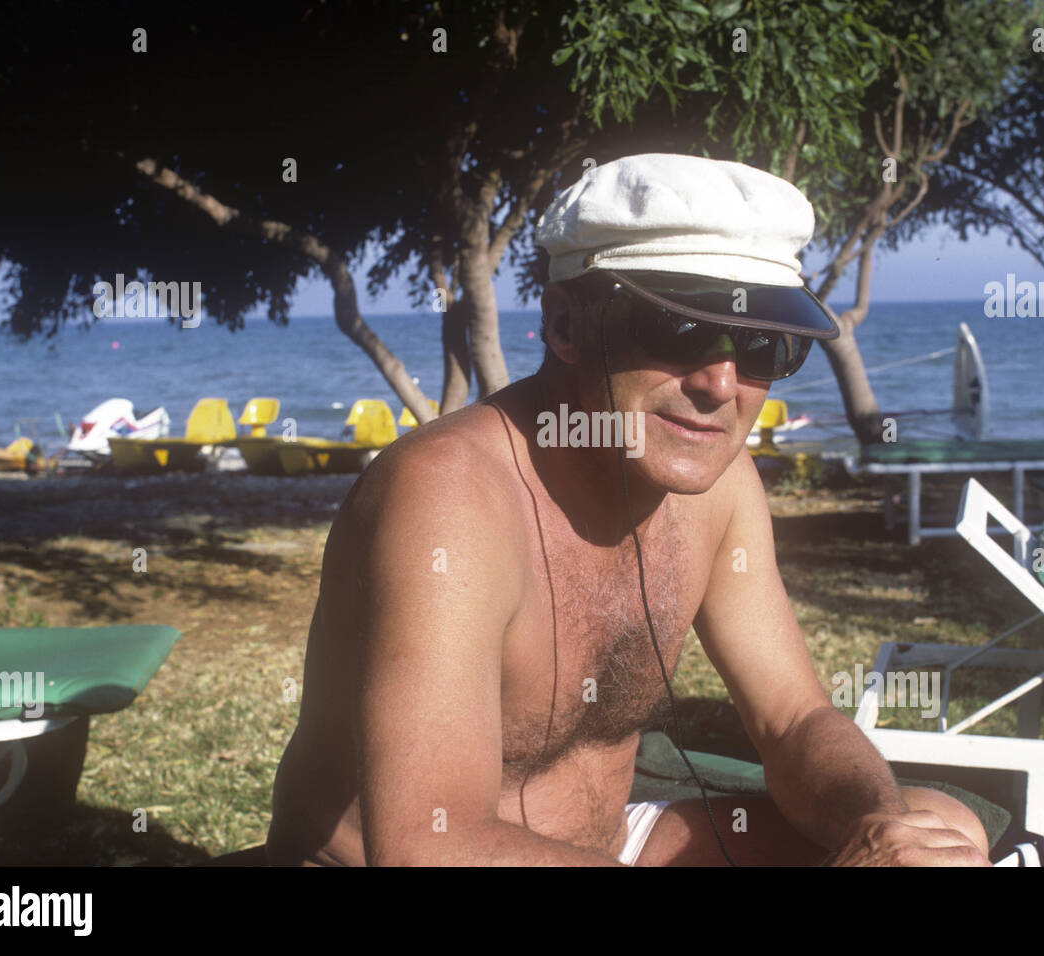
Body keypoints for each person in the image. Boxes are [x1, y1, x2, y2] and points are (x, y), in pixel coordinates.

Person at [266, 153, 991, 866]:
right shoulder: (449, 494)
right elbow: (429, 843)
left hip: (609, 846)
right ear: (565, 325)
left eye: (763, 344)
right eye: (679, 328)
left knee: (941, 830)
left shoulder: (721, 485)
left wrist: (882, 828)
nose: (720, 383)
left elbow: (795, 718)